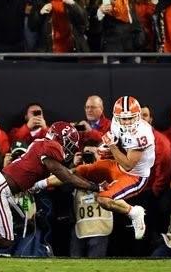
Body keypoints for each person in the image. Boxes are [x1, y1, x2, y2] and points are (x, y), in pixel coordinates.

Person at [40, 96, 155, 240]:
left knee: (103, 200)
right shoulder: (115, 123)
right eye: (123, 119)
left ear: (138, 116)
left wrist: (112, 147)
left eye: (131, 118)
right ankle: (39, 184)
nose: (126, 122)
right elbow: (118, 145)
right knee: (76, 171)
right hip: (117, 166)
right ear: (116, 117)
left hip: (135, 176)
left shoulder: (143, 134)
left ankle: (133, 212)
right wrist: (104, 149)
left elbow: (128, 164)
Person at [69, 139, 113, 257]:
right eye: (86, 154)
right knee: (75, 265)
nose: (89, 157)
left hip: (100, 226)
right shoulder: (75, 173)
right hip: (80, 226)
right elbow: (63, 189)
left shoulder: (108, 171)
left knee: (95, 263)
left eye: (93, 154)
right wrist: (73, 164)